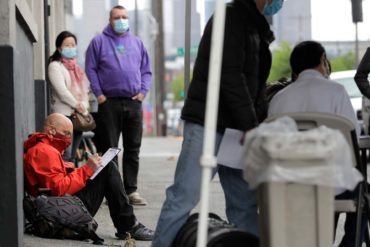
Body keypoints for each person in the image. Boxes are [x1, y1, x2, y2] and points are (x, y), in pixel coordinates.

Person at [151, 0, 284, 246]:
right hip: (209, 123)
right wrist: (250, 124)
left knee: (244, 203)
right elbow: (230, 74)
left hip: (235, 130)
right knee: (184, 196)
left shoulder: (254, 24)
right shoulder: (231, 17)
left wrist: (253, 121)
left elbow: (251, 83)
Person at [268, 40, 364, 247]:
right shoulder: (336, 91)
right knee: (360, 186)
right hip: (332, 185)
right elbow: (351, 141)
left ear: (295, 68)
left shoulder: (278, 100)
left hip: (290, 185)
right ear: (322, 61)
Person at [23, 113, 154, 241]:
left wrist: (85, 169)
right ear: (51, 130)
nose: (69, 138)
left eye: (71, 134)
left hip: (62, 207)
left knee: (106, 167)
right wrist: (87, 169)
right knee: (108, 169)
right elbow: (59, 189)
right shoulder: (44, 151)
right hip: (61, 211)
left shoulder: (46, 148)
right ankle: (129, 226)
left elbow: (57, 182)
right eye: (66, 133)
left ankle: (127, 225)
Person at [85, 5, 151, 206]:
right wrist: (100, 94)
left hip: (133, 103)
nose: (121, 20)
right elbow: (91, 69)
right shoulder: (98, 42)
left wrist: (142, 93)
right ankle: (113, 191)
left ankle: (131, 191)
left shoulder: (137, 43)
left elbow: (146, 70)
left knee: (133, 148)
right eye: (117, 17)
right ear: (110, 20)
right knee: (109, 149)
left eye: (124, 17)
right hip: (109, 104)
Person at [48, 31, 90, 165]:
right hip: (63, 116)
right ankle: (62, 183)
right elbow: (62, 91)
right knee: (65, 154)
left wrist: (83, 104)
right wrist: (77, 104)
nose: (71, 47)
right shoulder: (55, 66)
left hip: (77, 118)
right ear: (59, 48)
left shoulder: (76, 68)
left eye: (73, 45)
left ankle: (71, 184)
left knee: (73, 156)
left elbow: (84, 90)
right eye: (67, 45)